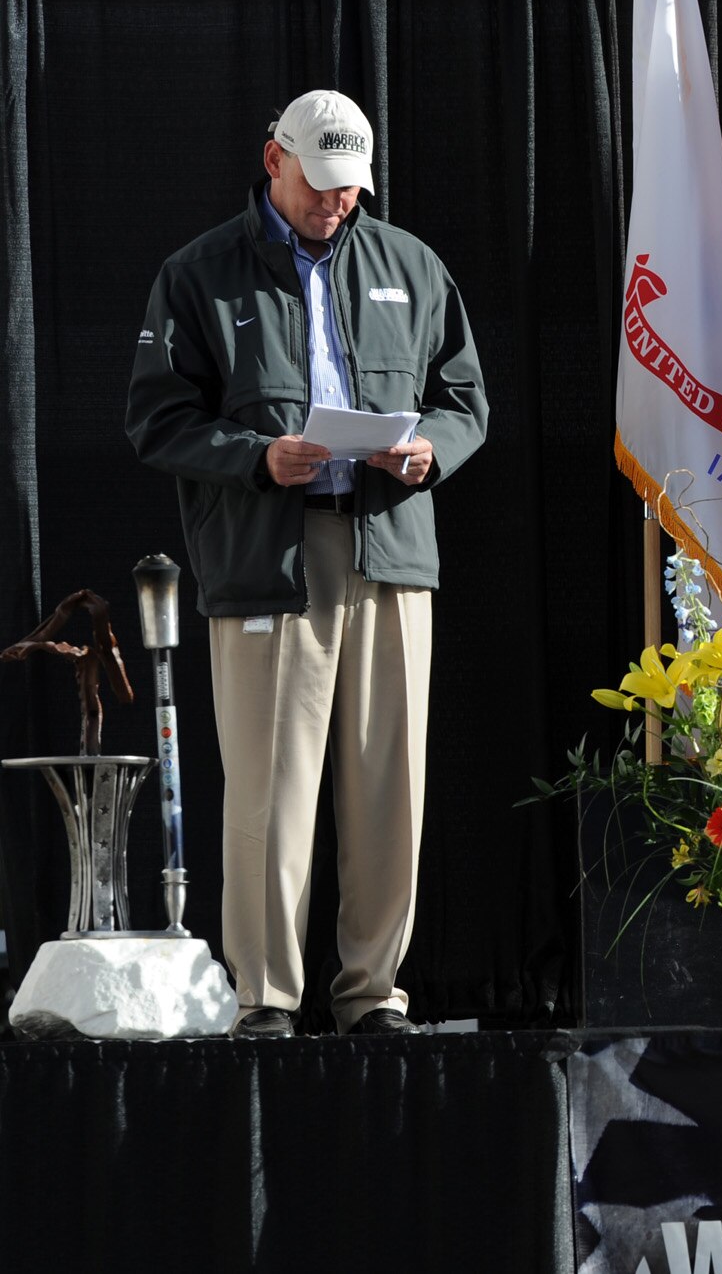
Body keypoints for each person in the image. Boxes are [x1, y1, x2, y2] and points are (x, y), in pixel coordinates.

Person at [125, 90, 489, 1038]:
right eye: (323, 186)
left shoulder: (410, 264)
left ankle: (374, 992)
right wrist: (255, 456)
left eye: (353, 188)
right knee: (269, 790)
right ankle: (266, 997)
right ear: (274, 160)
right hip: (269, 552)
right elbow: (157, 418)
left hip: (389, 546)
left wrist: (428, 451)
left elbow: (465, 398)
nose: (339, 204)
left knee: (388, 784)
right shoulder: (199, 273)